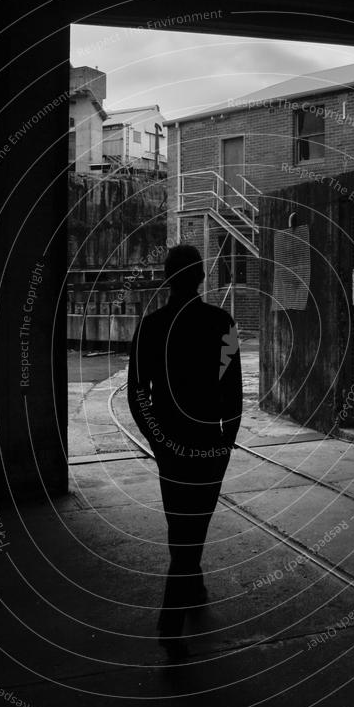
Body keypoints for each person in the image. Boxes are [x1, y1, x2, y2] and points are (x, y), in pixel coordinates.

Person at [128, 244, 242, 659]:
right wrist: (225, 443)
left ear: (167, 276)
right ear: (200, 277)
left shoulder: (151, 326)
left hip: (172, 442)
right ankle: (172, 617)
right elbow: (232, 393)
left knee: (181, 524)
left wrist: (158, 440)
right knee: (195, 525)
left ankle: (190, 585)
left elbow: (138, 393)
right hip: (210, 442)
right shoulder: (221, 322)